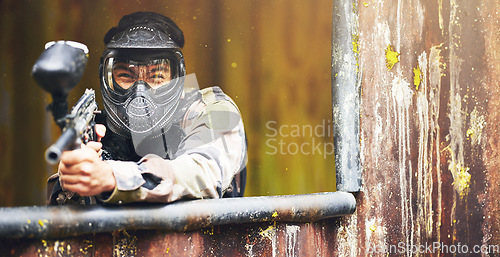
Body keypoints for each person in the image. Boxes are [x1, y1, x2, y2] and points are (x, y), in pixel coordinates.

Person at [47, 12, 247, 205]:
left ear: (177, 77)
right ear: (106, 78)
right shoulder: (95, 130)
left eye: (156, 76)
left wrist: (112, 177)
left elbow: (201, 174)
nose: (140, 91)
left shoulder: (214, 110)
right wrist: (73, 181)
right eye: (126, 76)